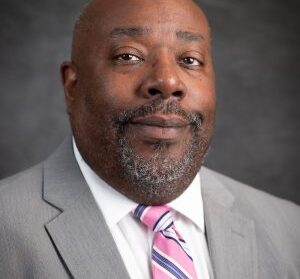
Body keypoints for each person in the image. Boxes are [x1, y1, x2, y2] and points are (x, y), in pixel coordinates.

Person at [0, 0, 299, 278]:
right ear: (72, 87)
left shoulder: (289, 229)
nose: (168, 81)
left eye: (190, 59)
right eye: (128, 56)